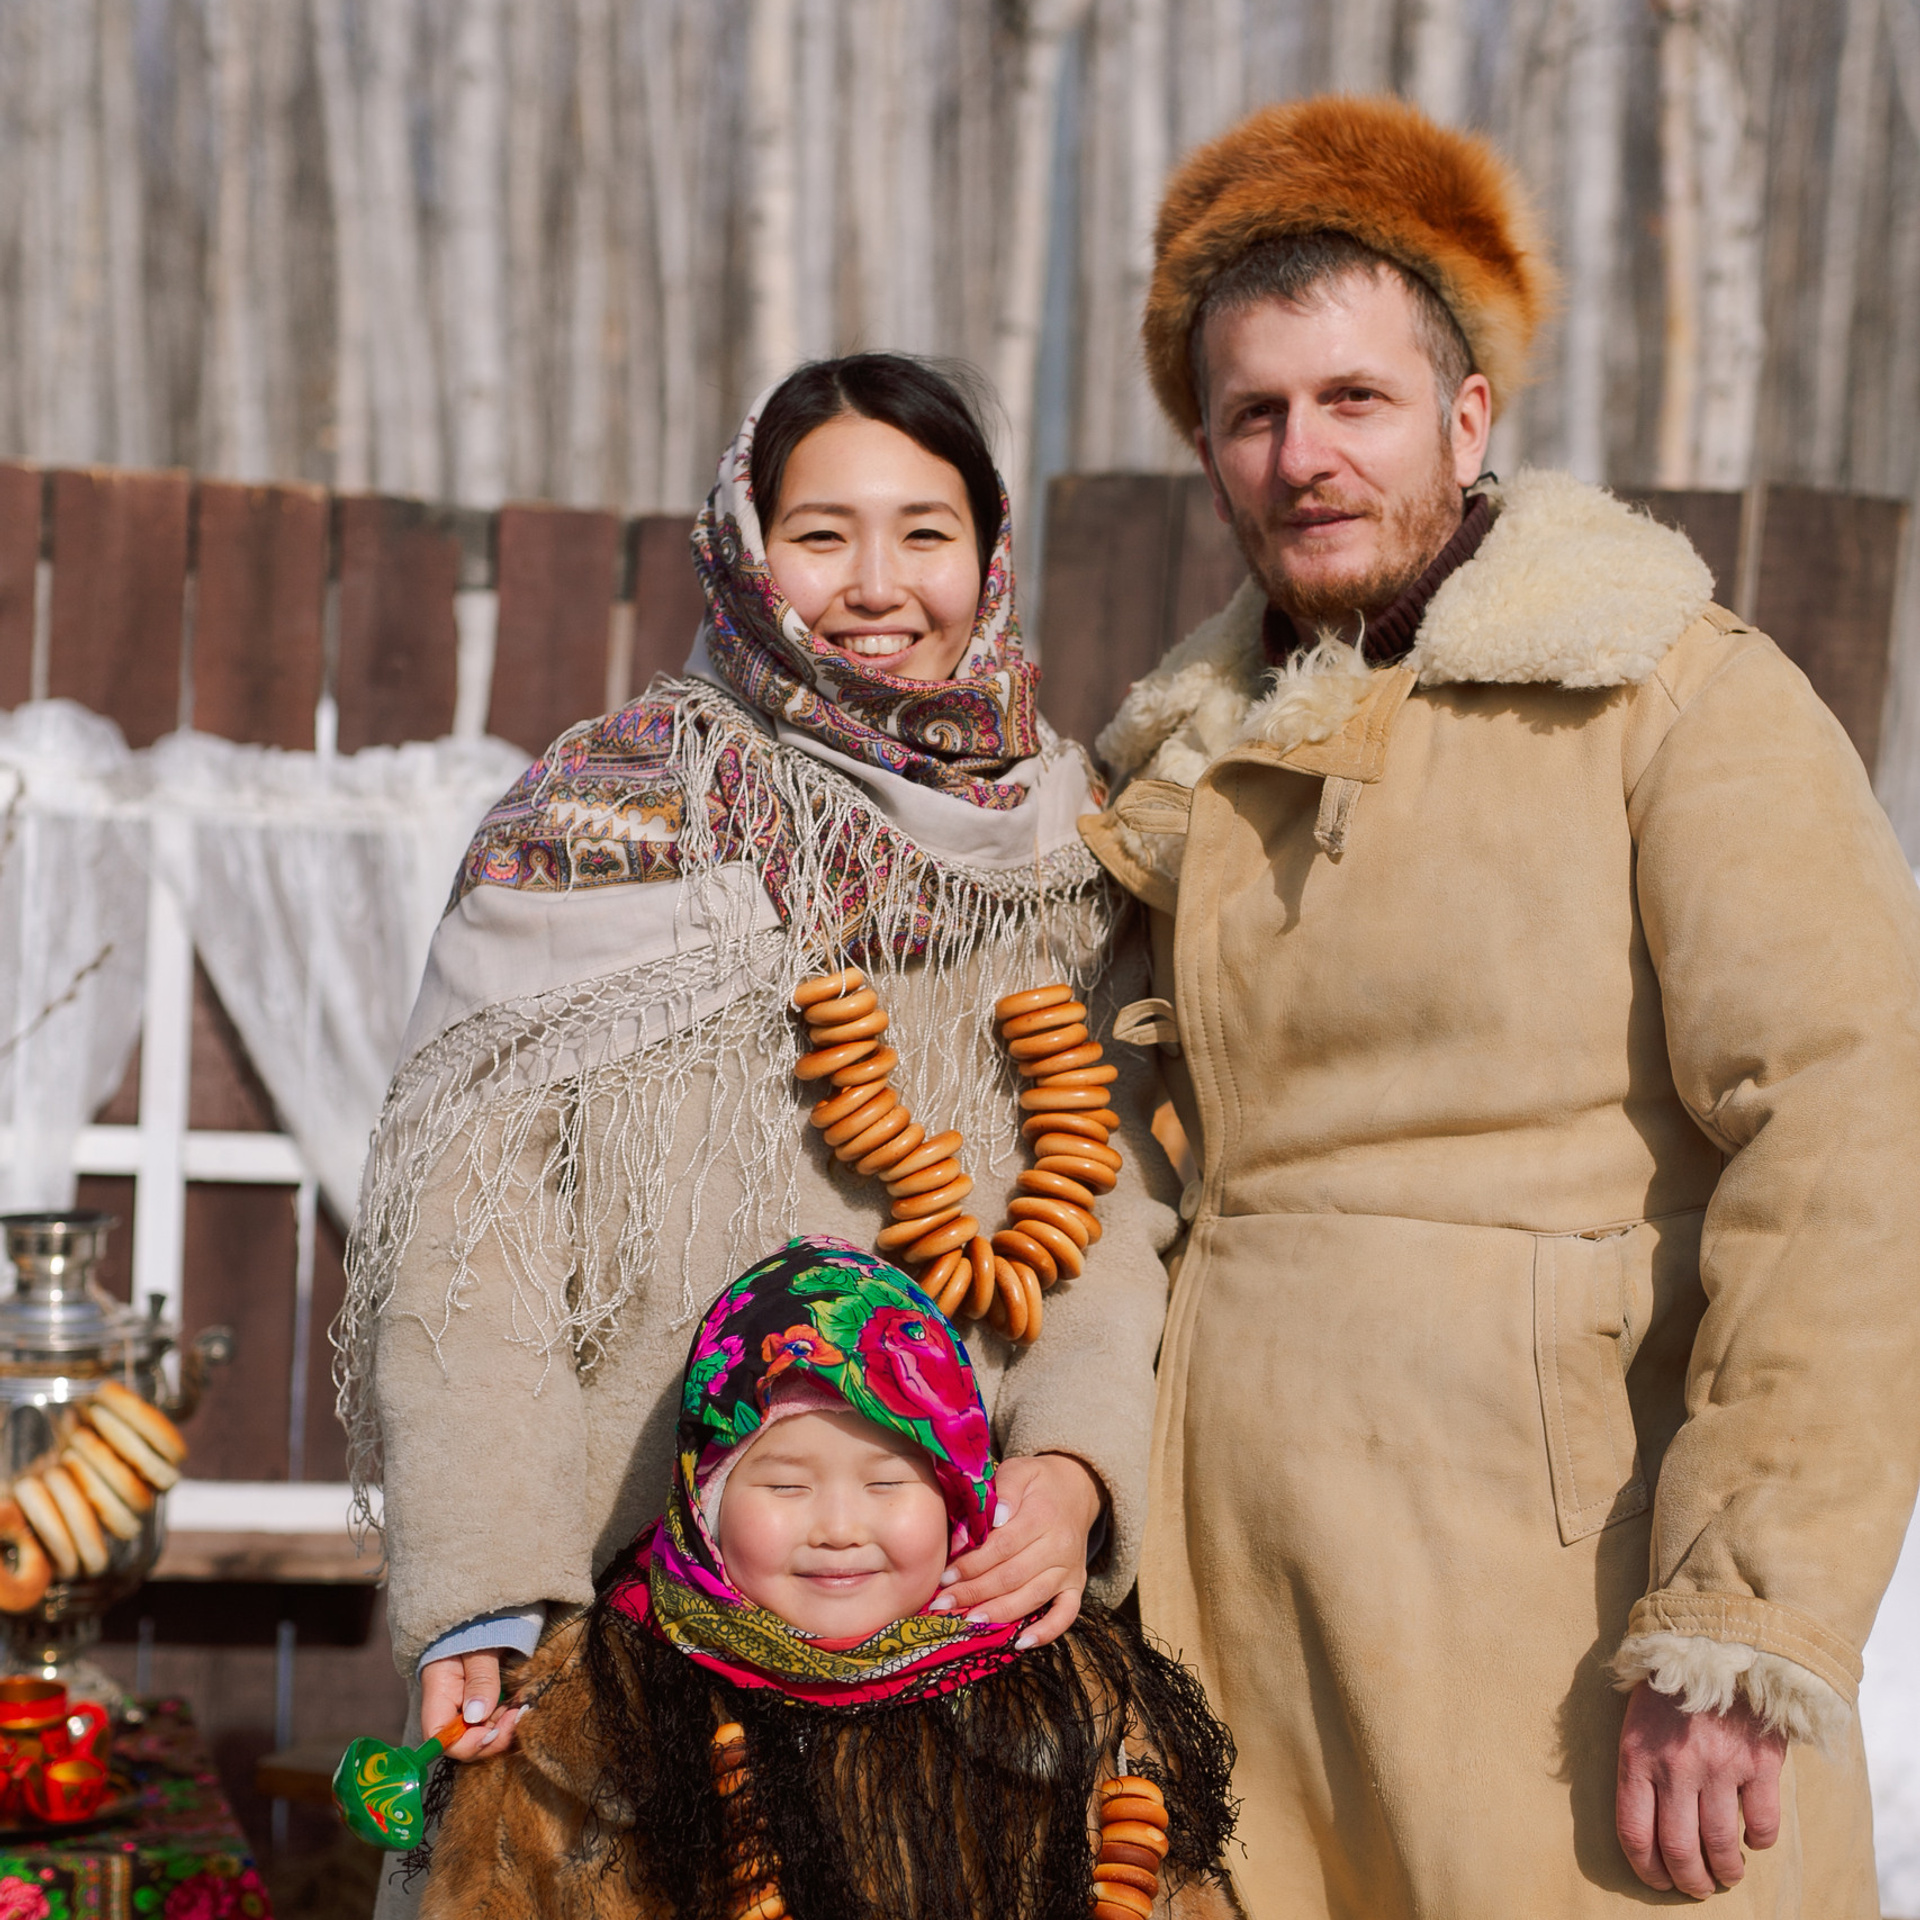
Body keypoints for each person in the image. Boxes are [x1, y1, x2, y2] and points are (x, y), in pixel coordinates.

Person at [1079, 93, 1920, 1918]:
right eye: (1256, 413)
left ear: (1467, 419)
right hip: (1235, 1647)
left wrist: (1738, 1621)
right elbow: (1099, 1176)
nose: (1307, 454)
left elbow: (1855, 1151)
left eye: (1357, 399)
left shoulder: (1670, 700)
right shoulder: (1174, 780)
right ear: (1210, 453)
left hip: (1565, 1645)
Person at [340, 355, 1180, 1912]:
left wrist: (1066, 1472)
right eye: (823, 533)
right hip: (629, 1644)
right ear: (742, 546)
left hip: (964, 1643)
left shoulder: (1074, 847)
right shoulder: (594, 826)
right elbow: (470, 1252)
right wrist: (483, 1596)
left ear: (989, 556)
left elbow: (1112, 1207)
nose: (879, 587)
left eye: (925, 533)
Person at [414, 1235, 1239, 1919]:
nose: (840, 1528)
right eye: (785, 1485)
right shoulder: (603, 1707)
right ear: (704, 1504)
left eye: (888, 1484)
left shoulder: (1065, 1689)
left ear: (958, 1496)